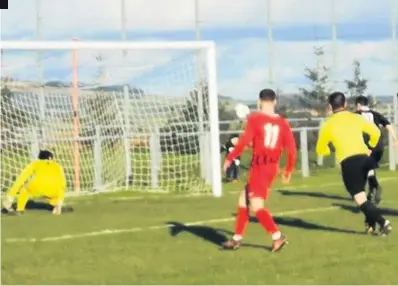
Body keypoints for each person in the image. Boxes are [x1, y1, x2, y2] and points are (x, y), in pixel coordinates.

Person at [221, 89, 297, 252]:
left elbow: (244, 141)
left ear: (259, 101)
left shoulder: (255, 119)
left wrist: (229, 157)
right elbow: (291, 149)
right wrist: (288, 169)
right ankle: (236, 239)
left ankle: (277, 236)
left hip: (260, 167)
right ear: (275, 102)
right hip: (271, 166)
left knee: (256, 205)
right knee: (243, 200)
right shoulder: (283, 122)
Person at [316, 92, 392, 235]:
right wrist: (370, 145)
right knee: (364, 195)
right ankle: (370, 225)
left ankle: (383, 222)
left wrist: (328, 150)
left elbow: (320, 149)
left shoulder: (328, 125)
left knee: (360, 199)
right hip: (365, 158)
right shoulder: (356, 118)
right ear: (345, 105)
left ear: (330, 107)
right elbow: (375, 132)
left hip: (350, 162)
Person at [355, 95, 398, 204]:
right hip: (379, 146)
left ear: (359, 105)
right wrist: (395, 139)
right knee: (369, 169)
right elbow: (388, 125)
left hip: (366, 147)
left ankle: (374, 187)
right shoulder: (375, 114)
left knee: (363, 170)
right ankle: (372, 190)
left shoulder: (356, 116)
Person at [2, 150, 69, 215]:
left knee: (24, 189)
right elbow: (63, 183)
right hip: (55, 191)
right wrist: (60, 199)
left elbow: (21, 178)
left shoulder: (36, 163)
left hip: (38, 187)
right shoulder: (58, 166)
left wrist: (11, 195)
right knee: (55, 197)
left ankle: (20, 209)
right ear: (50, 158)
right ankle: (56, 206)